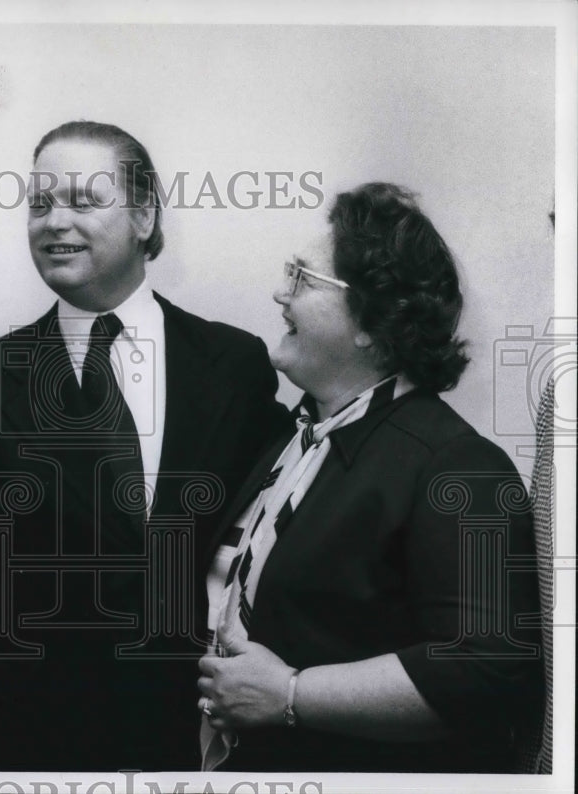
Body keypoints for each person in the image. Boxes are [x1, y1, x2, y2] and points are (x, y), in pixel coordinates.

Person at [0, 120, 290, 771]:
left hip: (209, 739)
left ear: (144, 214)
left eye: (82, 199)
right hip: (43, 745)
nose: (53, 222)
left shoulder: (233, 363)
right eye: (39, 203)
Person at [197, 182, 544, 773]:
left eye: (303, 278)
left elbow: (486, 673)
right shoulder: (292, 438)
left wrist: (291, 696)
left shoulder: (461, 467)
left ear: (372, 319)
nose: (280, 293)